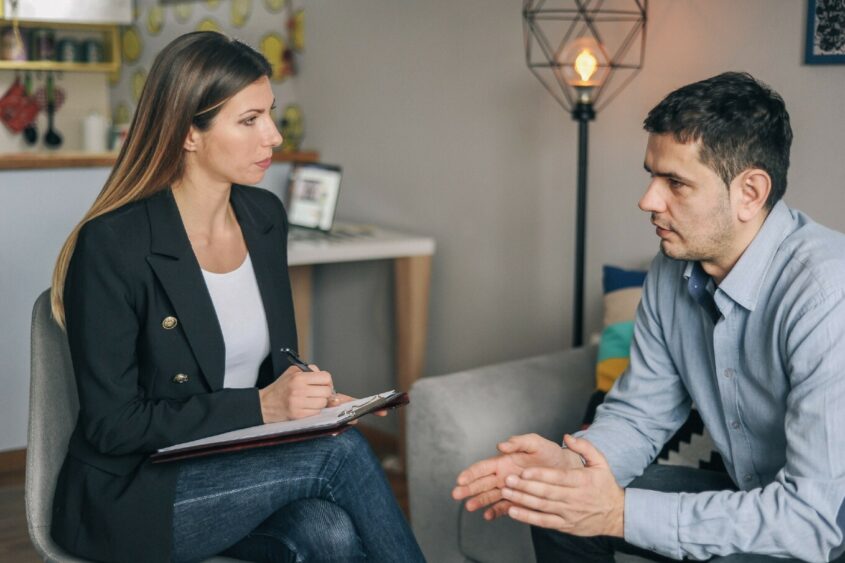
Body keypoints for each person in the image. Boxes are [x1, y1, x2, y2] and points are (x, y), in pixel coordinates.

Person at [49, 31, 424, 563]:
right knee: (338, 457)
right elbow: (112, 425)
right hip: (138, 489)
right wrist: (263, 406)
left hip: (241, 460)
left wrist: (308, 405)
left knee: (330, 531)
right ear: (188, 133)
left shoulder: (263, 217)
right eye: (248, 121)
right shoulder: (114, 243)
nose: (272, 136)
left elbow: (270, 365)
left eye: (269, 114)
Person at [452, 71, 845, 562]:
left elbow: (811, 521)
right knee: (560, 510)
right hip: (751, 496)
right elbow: (641, 415)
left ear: (750, 192)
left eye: (675, 183)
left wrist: (617, 512)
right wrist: (573, 466)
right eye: (651, 175)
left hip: (821, 526)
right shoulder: (672, 270)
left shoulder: (827, 294)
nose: (648, 201)